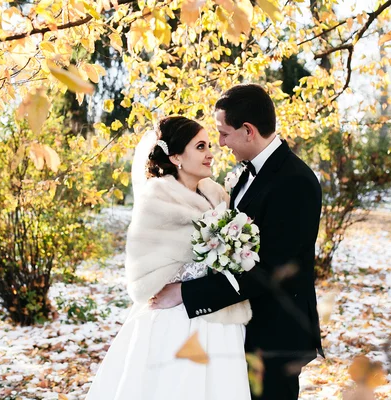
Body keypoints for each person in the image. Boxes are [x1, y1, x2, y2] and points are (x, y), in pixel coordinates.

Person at [151, 84, 324, 400]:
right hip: (241, 328)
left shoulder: (294, 182)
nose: (219, 142)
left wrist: (185, 293)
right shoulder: (246, 175)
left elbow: (271, 270)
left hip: (275, 337)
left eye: (223, 133)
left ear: (248, 131)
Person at [85, 116, 252, 400]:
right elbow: (148, 268)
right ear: (176, 157)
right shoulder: (158, 202)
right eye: (200, 147)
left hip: (221, 320)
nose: (211, 153)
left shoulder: (219, 198)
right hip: (175, 322)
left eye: (209, 145)